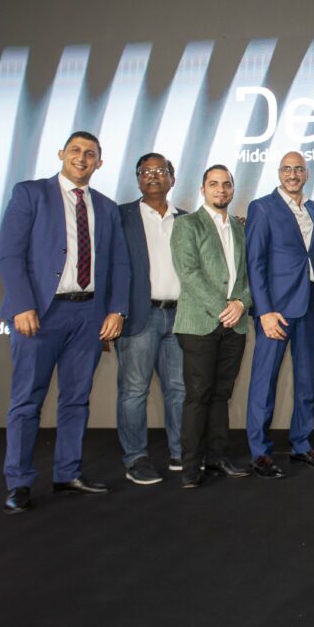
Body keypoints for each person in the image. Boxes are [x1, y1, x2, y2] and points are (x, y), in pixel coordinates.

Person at [0, 131, 130, 514]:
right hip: (40, 314)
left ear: (99, 163)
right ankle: (19, 483)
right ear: (61, 154)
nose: (81, 158)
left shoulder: (106, 207)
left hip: (89, 315)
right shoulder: (31, 194)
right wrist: (22, 305)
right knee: (27, 400)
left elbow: (120, 263)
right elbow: (9, 254)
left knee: (76, 400)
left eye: (90, 153)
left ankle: (68, 474)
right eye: (75, 150)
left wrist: (116, 310)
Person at [245, 151, 314, 477]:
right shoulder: (262, 207)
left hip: (309, 306)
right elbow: (255, 264)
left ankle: (301, 445)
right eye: (287, 169)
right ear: (279, 172)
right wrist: (264, 311)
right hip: (276, 311)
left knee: (305, 379)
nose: (292, 174)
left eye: (298, 169)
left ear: (306, 173)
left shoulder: (312, 208)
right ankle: (259, 453)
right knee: (264, 382)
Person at [171, 165, 252, 488]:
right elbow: (188, 272)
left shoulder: (240, 228)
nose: (221, 189)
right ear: (202, 189)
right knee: (198, 396)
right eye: (214, 184)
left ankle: (217, 457)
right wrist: (222, 309)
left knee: (221, 395)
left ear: (233, 189)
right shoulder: (187, 224)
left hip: (235, 323)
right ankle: (191, 466)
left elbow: (248, 275)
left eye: (226, 184)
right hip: (199, 323)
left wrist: (241, 303)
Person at [115, 153, 188, 485]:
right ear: (138, 178)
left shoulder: (186, 220)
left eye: (161, 170)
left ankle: (180, 453)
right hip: (139, 316)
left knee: (179, 389)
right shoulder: (121, 217)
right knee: (134, 390)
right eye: (146, 171)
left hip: (179, 316)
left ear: (172, 178)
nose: (154, 175)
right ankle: (136, 457)